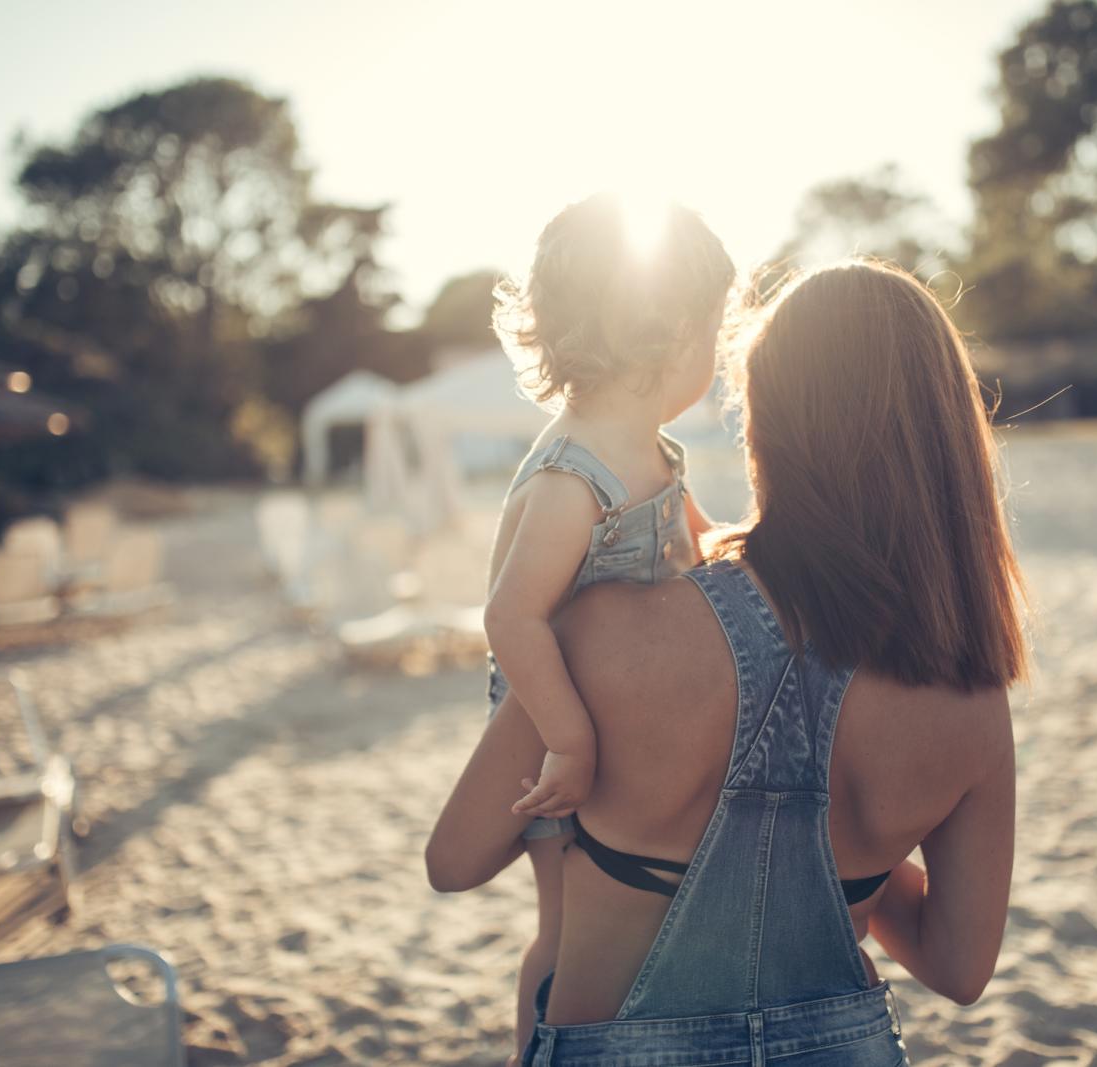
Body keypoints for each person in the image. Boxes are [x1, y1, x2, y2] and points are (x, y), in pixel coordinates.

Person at [430, 259, 1027, 1066]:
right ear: (951, 441)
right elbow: (959, 967)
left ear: (766, 423)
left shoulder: (608, 634)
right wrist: (854, 858)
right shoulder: (971, 700)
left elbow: (456, 859)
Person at [480, 192, 735, 1061]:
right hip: (553, 722)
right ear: (665, 331)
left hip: (616, 704)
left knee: (620, 918)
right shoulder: (575, 473)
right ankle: (541, 1049)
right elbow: (511, 617)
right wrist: (570, 738)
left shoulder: (655, 452)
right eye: (715, 330)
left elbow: (708, 547)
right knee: (566, 925)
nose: (720, 353)